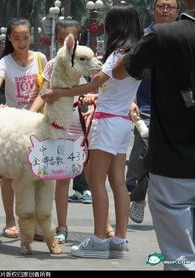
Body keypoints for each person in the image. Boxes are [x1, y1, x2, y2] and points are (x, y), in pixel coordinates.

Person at [42, 4, 143, 258]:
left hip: (107, 123)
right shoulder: (135, 55)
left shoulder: (116, 55)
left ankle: (99, 239)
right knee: (118, 182)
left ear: (115, 26)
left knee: (96, 182)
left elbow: (94, 85)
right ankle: (119, 239)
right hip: (121, 123)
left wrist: (59, 93)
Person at [113, 0, 195, 270]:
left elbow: (120, 70)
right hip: (172, 164)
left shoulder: (162, 35)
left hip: (172, 165)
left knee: (180, 257)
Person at [0, 18, 47, 238]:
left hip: (37, 124)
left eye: (25, 37)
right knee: (9, 176)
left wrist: (31, 112)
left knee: (39, 174)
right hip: (14, 127)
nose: (21, 42)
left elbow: (46, 89)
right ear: (9, 39)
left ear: (31, 36)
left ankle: (38, 224)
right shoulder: (4, 62)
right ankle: (9, 221)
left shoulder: (40, 59)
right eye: (16, 38)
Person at [126, 0, 180, 224]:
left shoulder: (184, 36)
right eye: (161, 6)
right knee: (146, 149)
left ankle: (139, 189)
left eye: (170, 6)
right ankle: (138, 195)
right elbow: (130, 71)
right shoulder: (144, 37)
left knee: (163, 157)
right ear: (154, 9)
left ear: (178, 11)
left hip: (177, 109)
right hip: (146, 107)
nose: (165, 10)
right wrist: (131, 99)